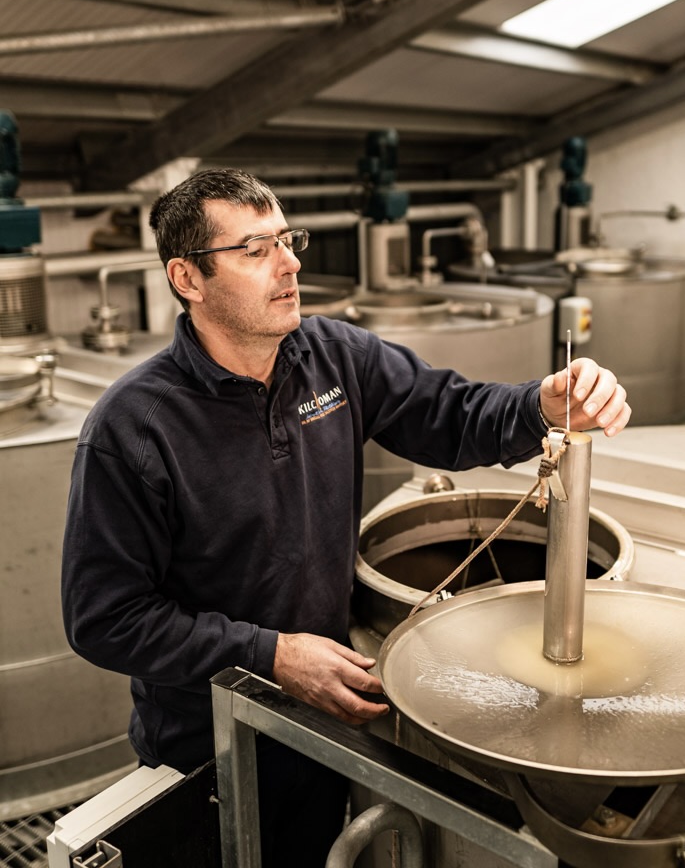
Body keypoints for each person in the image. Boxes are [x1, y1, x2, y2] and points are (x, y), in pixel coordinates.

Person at [60, 168, 630, 865]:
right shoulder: (134, 428)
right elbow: (105, 618)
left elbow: (448, 415)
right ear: (188, 278)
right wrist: (268, 653)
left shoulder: (333, 356)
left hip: (321, 722)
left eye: (287, 239)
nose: (291, 262)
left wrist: (543, 403)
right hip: (207, 748)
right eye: (255, 249)